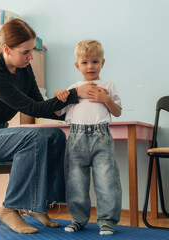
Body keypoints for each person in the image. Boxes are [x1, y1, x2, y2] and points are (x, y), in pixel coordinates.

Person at [0, 19, 99, 234]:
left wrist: (72, 111)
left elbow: (39, 103)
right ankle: (10, 208)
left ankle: (38, 204)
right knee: (33, 137)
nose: (30, 56)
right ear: (6, 49)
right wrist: (73, 95)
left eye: (31, 51)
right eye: (25, 52)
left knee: (55, 136)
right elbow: (31, 108)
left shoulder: (23, 68)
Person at [54, 40, 122, 235]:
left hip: (102, 138)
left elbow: (117, 112)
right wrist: (59, 95)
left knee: (107, 182)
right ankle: (78, 219)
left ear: (102, 63)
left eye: (95, 61)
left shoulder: (108, 85)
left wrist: (106, 99)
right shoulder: (73, 87)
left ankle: (107, 221)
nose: (90, 66)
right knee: (75, 182)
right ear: (77, 65)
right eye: (84, 63)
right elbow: (58, 111)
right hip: (76, 138)